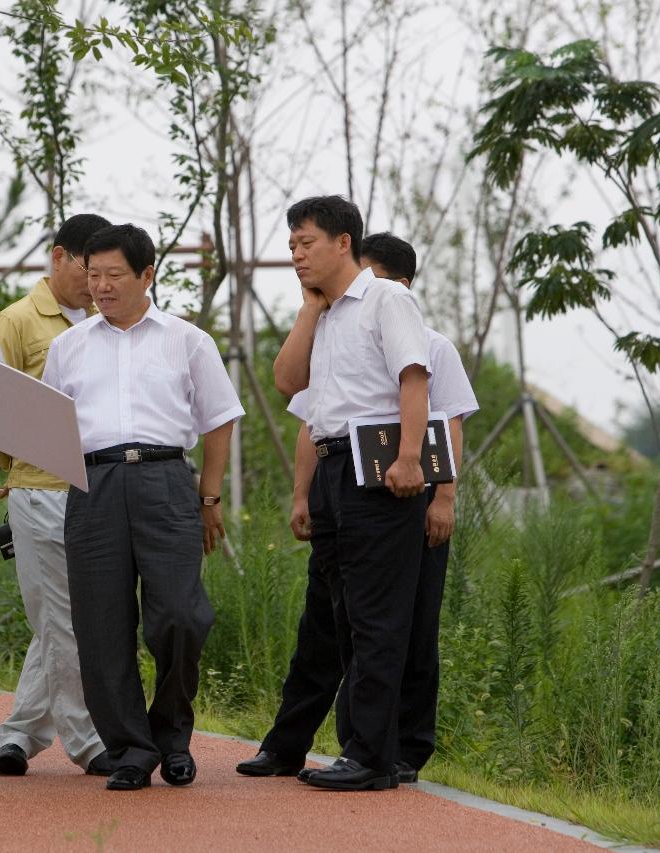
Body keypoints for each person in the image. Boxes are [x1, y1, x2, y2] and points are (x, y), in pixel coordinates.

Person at [237, 231, 477, 785]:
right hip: (341, 482)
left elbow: (449, 423)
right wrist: (303, 495)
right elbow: (312, 418)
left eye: (370, 277)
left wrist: (443, 497)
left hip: (400, 489)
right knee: (328, 622)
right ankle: (301, 744)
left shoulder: (425, 338)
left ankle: (392, 750)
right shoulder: (328, 325)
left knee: (400, 627)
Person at [42, 223, 244, 791]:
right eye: (93, 276)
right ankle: (131, 748)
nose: (100, 287)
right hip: (94, 487)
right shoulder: (68, 347)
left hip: (166, 481)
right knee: (100, 624)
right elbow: (51, 423)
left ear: (146, 275)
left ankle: (172, 734)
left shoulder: (186, 339)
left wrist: (209, 496)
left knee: (182, 615)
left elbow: (220, 418)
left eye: (113, 276)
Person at [259, 196, 430, 792]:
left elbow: (414, 376)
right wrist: (309, 310)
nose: (296, 255)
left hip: (379, 467)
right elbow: (287, 382)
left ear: (343, 242)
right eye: (291, 247)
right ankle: (360, 750)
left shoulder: (387, 298)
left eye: (306, 243)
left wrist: (411, 458)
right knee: (343, 617)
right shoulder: (326, 314)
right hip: (332, 468)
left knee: (376, 618)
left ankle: (373, 757)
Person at [0, 213, 114, 779]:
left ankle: (17, 733)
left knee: (63, 617)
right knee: (61, 617)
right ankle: (89, 740)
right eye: (90, 266)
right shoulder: (14, 322)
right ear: (59, 257)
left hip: (96, 491)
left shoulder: (107, 323)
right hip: (36, 490)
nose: (97, 281)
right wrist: (12, 463)